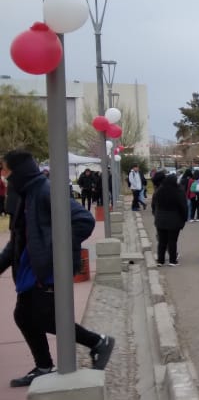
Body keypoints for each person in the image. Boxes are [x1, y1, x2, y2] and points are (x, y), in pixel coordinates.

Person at [0, 150, 115, 387]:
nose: (4, 175)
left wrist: (53, 249)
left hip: (45, 269)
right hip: (29, 270)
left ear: (18, 171)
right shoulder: (25, 194)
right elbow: (18, 238)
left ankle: (98, 342)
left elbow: (84, 220)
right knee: (24, 315)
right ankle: (44, 365)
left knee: (46, 318)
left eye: (6, 169)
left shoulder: (45, 190)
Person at [152, 173, 188, 266]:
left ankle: (160, 261)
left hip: (160, 220)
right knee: (172, 241)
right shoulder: (178, 191)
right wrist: (184, 218)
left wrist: (156, 215)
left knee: (162, 241)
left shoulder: (159, 191)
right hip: (174, 220)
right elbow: (183, 206)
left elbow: (153, 205)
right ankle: (172, 261)